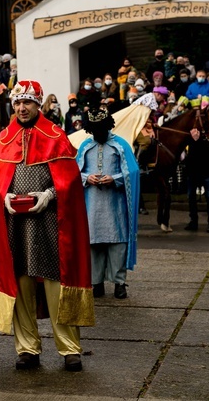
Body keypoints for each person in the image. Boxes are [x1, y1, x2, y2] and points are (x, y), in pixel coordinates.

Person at [0, 80, 94, 372]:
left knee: (58, 285)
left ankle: (69, 349)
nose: (21, 108)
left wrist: (49, 195)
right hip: (15, 226)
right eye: (17, 103)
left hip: (50, 225)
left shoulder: (56, 135)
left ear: (38, 104)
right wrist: (2, 195)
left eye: (27, 103)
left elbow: (70, 180)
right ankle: (27, 348)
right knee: (21, 286)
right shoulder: (4, 136)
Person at [76, 107, 139, 299]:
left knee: (117, 244)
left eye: (101, 130)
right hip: (91, 206)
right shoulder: (85, 146)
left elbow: (133, 172)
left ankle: (119, 283)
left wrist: (115, 178)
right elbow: (73, 173)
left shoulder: (121, 145)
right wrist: (87, 177)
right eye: (95, 131)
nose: (99, 134)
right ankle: (96, 283)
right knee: (93, 244)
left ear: (108, 126)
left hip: (116, 206)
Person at [184, 113, 209, 233]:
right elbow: (189, 151)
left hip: (206, 169)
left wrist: (198, 140)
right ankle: (193, 221)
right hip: (193, 170)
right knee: (191, 196)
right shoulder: (190, 133)